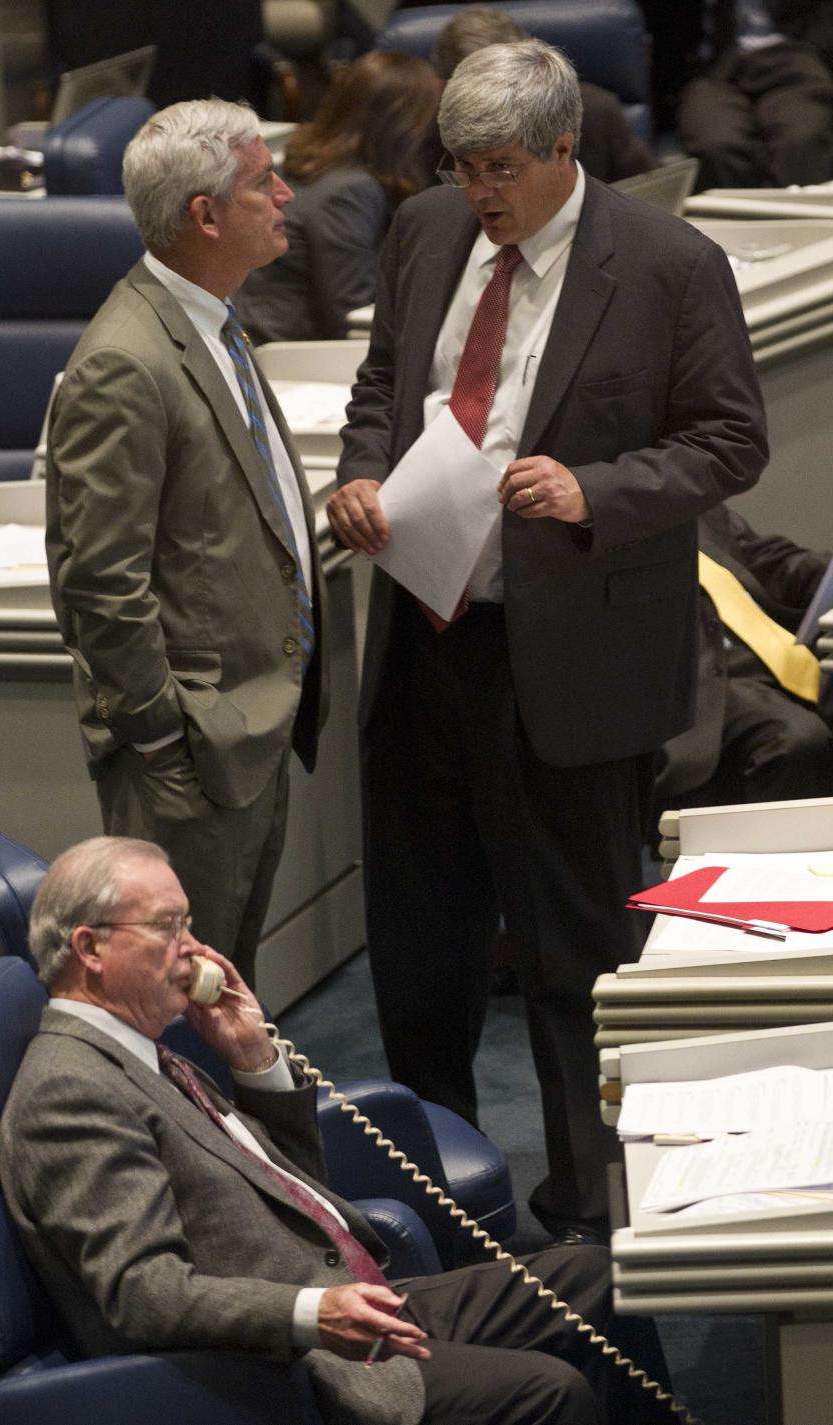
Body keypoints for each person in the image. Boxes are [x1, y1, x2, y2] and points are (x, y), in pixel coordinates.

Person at [328, 39, 767, 1241]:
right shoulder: (423, 233)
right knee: (420, 957)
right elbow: (382, 389)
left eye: (503, 168)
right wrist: (360, 476)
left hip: (568, 662)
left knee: (578, 961)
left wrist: (594, 490)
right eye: (463, 165)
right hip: (423, 645)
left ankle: (589, 1209)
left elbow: (731, 442)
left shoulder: (669, 264)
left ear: (565, 147)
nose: (481, 192)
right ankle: (429, 1210)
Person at [0, 834, 671, 1425]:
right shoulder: (71, 1088)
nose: (194, 949)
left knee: (596, 1278)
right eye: (168, 927)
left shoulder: (140, 1045)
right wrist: (310, 1313)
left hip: (357, 1297)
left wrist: (256, 1062)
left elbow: (286, 1189)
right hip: (294, 1362)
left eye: (190, 924)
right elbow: (144, 1293)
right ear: (91, 946)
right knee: (549, 1394)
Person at [45, 99, 328, 988]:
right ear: (204, 215)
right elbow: (98, 583)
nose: (286, 193)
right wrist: (167, 742)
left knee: (223, 986)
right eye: (261, 181)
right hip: (193, 752)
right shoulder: (125, 361)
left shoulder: (214, 320)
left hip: (248, 726)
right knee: (174, 1002)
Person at [234, 51, 441, 345]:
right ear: (405, 129)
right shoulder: (351, 191)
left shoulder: (297, 157)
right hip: (295, 357)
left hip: (263, 339)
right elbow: (351, 311)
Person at [654, 503, 833, 821]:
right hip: (691, 676)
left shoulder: (687, 499)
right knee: (795, 737)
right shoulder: (594, 516)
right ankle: (783, 867)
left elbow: (770, 563)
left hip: (783, 659)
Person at [430, 6, 656, 185]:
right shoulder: (419, 139)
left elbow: (651, 196)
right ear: (443, 91)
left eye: (513, 87)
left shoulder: (596, 111)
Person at [678, 0, 833, 189]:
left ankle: (786, 216)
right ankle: (733, 216)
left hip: (794, 56)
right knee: (715, 146)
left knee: (801, 140)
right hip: (717, 67)